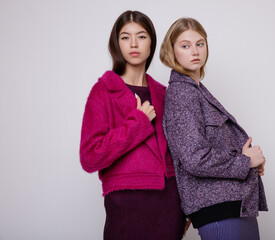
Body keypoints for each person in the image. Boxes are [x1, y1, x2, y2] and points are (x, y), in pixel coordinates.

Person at [80, 11, 185, 240]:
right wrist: (138, 123)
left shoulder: (164, 93)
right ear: (116, 44)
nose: (134, 44)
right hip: (125, 204)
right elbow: (90, 157)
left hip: (169, 205)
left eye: (142, 36)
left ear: (152, 42)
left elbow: (182, 152)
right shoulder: (104, 91)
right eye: (125, 37)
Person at [160, 18, 268, 240]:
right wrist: (244, 161)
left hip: (233, 205)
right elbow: (194, 158)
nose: (195, 51)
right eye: (185, 45)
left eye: (200, 43)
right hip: (219, 209)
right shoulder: (182, 94)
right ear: (172, 51)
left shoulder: (198, 90)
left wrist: (250, 163)